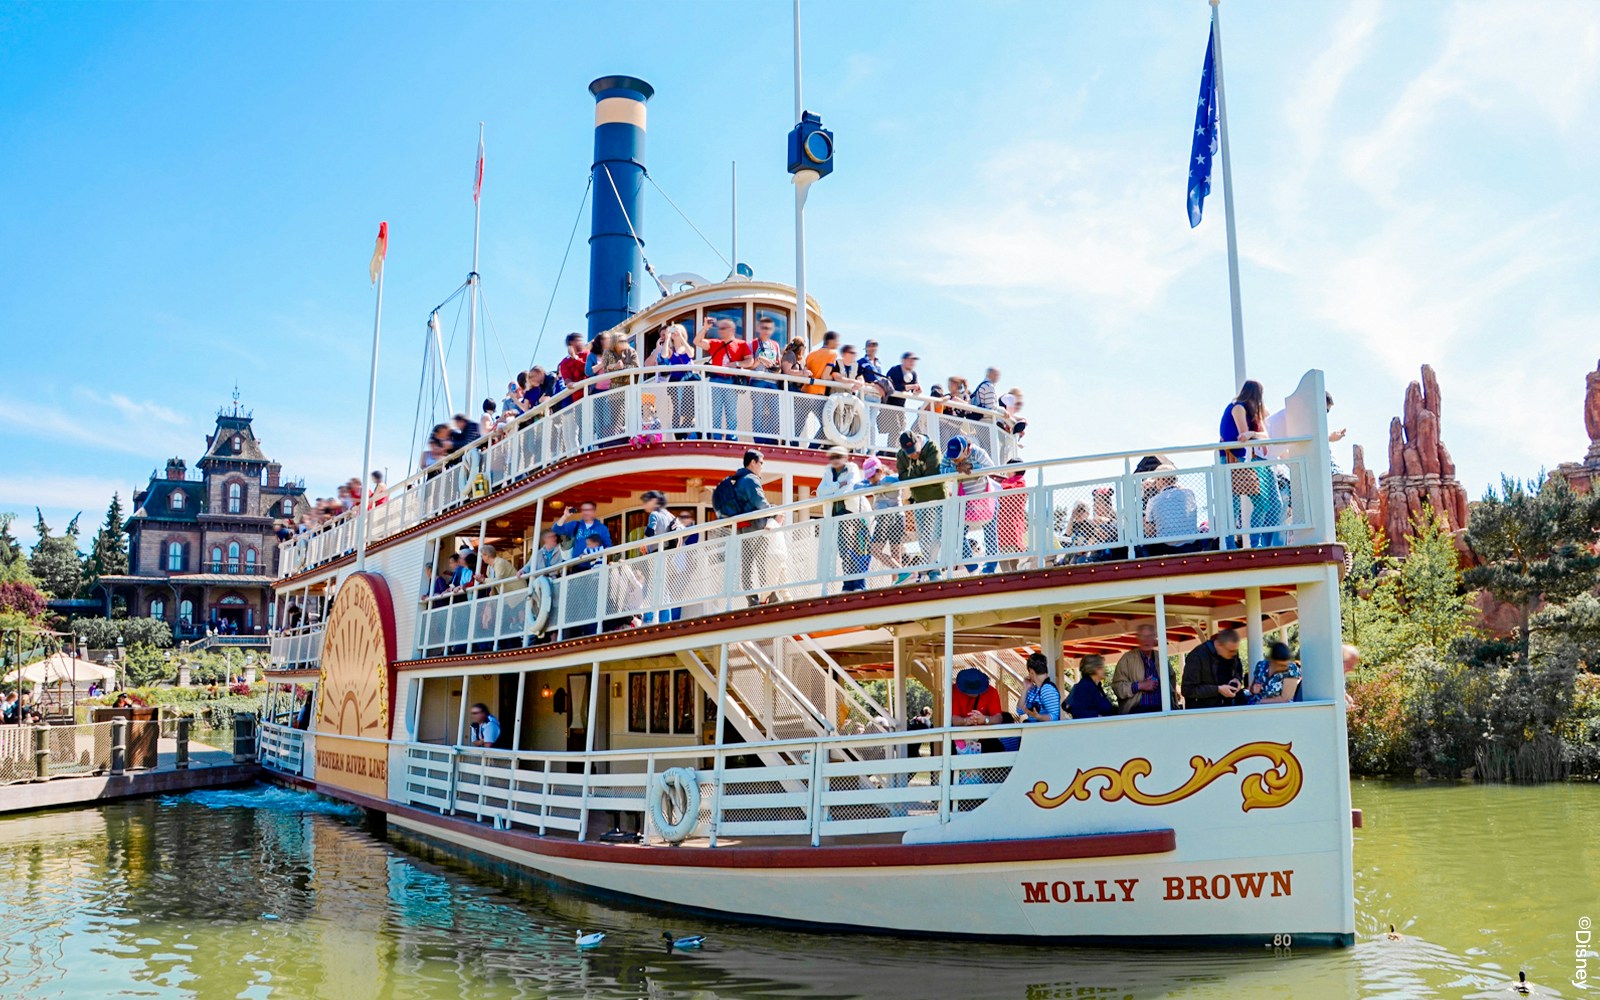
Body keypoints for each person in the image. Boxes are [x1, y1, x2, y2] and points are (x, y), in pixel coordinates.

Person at [714, 449, 781, 604]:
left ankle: (752, 600)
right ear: (753, 462)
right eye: (761, 463)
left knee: (747, 564)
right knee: (764, 561)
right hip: (756, 526)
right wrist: (774, 510)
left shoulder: (737, 480)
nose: (762, 467)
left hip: (742, 528)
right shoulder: (751, 479)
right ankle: (770, 596)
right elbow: (760, 503)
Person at [1220, 379, 1276, 548]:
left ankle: (1254, 542)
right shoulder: (1238, 408)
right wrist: (1252, 434)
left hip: (1240, 461)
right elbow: (1242, 436)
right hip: (1230, 459)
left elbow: (1265, 436)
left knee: (1261, 501)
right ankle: (1230, 544)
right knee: (1233, 504)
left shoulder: (1247, 410)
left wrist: (1253, 433)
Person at [942, 435, 998, 575]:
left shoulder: (978, 453)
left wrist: (972, 467)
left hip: (985, 499)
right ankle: (973, 567)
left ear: (966, 450)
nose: (954, 459)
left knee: (991, 535)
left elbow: (991, 468)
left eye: (957, 456)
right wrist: (957, 469)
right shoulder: (949, 456)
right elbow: (941, 470)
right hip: (965, 503)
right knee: (956, 535)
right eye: (952, 457)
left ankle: (989, 569)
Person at [897, 430, 949, 579]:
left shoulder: (931, 447)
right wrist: (919, 474)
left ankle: (935, 569)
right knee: (923, 537)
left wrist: (913, 476)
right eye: (909, 453)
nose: (913, 455)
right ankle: (931, 569)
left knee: (936, 536)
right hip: (919, 500)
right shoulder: (901, 455)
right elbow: (902, 476)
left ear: (918, 441)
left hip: (937, 497)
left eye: (915, 451)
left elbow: (932, 474)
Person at [816, 446, 869, 591]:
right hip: (836, 517)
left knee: (858, 550)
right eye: (832, 457)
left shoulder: (852, 469)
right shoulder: (828, 472)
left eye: (838, 457)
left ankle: (858, 585)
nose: (835, 460)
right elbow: (820, 492)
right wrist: (838, 484)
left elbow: (850, 488)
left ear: (845, 458)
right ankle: (848, 583)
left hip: (852, 514)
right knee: (845, 551)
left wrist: (832, 491)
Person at [700, 317, 753, 440]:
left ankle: (732, 438)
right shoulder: (715, 343)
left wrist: (737, 364)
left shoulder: (741, 344)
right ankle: (716, 438)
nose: (720, 331)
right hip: (716, 379)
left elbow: (750, 360)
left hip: (730, 380)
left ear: (732, 330)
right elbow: (697, 342)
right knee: (715, 412)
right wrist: (705, 328)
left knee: (731, 413)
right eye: (719, 328)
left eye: (723, 328)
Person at [1112, 624, 1181, 713]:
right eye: (1143, 636)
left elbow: (1172, 685)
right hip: (1137, 713)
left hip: (1162, 712)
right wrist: (1140, 685)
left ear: (1154, 638)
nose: (1146, 640)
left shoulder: (1161, 658)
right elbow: (1117, 688)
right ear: (1138, 639)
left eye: (1149, 636)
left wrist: (1174, 706)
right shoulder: (1127, 659)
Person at [859, 456, 905, 584]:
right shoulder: (874, 483)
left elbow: (898, 478)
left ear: (880, 471)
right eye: (868, 477)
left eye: (872, 476)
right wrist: (871, 483)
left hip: (892, 516)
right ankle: (898, 579)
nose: (870, 480)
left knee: (881, 551)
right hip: (889, 517)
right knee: (889, 553)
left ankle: (900, 577)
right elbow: (857, 486)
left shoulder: (890, 479)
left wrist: (879, 482)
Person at [1182, 628, 1247, 709]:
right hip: (1203, 712)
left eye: (1235, 651)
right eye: (1231, 651)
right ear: (1219, 645)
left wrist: (1237, 679)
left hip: (1228, 707)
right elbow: (1187, 690)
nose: (1233, 654)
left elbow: (1238, 669)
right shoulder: (1197, 657)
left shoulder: (1231, 651)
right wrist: (1218, 690)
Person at [651, 323, 696, 438]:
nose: (675, 333)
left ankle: (685, 432)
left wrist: (680, 337)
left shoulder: (687, 348)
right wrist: (667, 337)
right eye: (674, 331)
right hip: (676, 381)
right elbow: (664, 355)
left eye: (678, 331)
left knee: (690, 410)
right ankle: (678, 434)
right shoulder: (670, 350)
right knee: (677, 409)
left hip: (688, 381)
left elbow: (691, 354)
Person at [951, 667, 1009, 755]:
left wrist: (985, 719)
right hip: (961, 738)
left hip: (985, 739)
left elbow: (998, 718)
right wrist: (965, 721)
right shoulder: (954, 691)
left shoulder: (992, 692)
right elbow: (954, 718)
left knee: (997, 749)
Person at [799, 330, 840, 444]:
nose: (838, 344)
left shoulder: (811, 354)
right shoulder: (832, 353)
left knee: (798, 424)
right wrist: (834, 378)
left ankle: (792, 444)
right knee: (827, 425)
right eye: (837, 341)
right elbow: (824, 376)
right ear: (831, 341)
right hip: (817, 393)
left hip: (805, 391)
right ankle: (813, 447)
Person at [748, 315, 783, 444]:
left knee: (775, 413)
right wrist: (760, 360)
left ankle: (772, 440)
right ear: (759, 328)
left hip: (772, 382)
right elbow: (749, 364)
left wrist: (775, 367)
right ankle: (759, 440)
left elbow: (778, 364)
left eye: (769, 328)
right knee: (758, 412)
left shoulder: (775, 345)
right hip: (758, 380)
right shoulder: (753, 343)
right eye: (763, 328)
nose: (766, 331)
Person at [1016, 653, 1062, 724]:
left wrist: (1038, 716)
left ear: (1031, 671)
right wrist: (1025, 688)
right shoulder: (1033, 689)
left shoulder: (1047, 689)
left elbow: (1054, 717)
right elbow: (1019, 710)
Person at [557, 331, 590, 406]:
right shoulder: (564, 363)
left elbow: (588, 371)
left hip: (591, 392)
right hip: (577, 398)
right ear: (571, 344)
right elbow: (567, 380)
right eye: (578, 341)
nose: (581, 343)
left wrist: (575, 358)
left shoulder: (587, 354)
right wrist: (569, 383)